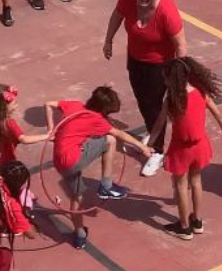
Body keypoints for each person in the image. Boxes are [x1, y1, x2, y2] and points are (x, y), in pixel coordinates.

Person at [47, 86, 157, 249]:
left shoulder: (74, 105)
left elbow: (48, 104)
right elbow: (119, 134)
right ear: (104, 110)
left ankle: (80, 235)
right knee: (110, 140)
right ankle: (106, 185)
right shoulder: (96, 119)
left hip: (59, 160)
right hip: (73, 159)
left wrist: (51, 130)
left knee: (76, 198)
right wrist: (143, 147)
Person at [104, 0, 187, 156]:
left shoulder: (167, 11)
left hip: (160, 65)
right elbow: (116, 16)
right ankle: (153, 134)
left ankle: (156, 151)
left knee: (154, 106)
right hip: (135, 59)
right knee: (142, 101)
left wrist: (178, 76)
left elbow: (181, 45)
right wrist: (108, 40)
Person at [154, 56, 222, 241]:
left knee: (180, 186)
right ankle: (197, 220)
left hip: (181, 149)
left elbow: (159, 124)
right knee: (196, 181)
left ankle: (184, 227)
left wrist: (149, 145)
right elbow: (217, 113)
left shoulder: (172, 99)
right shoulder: (201, 91)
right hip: (200, 145)